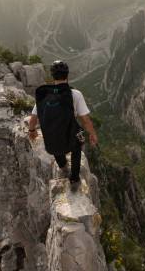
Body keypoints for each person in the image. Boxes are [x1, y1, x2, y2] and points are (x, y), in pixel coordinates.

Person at [28, 60, 98, 191]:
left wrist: (32, 131)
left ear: (52, 76)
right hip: (70, 136)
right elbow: (85, 120)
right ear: (67, 75)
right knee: (78, 143)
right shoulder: (75, 94)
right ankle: (75, 178)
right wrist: (93, 134)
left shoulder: (45, 95)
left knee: (52, 135)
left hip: (52, 139)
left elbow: (33, 119)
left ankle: (63, 166)